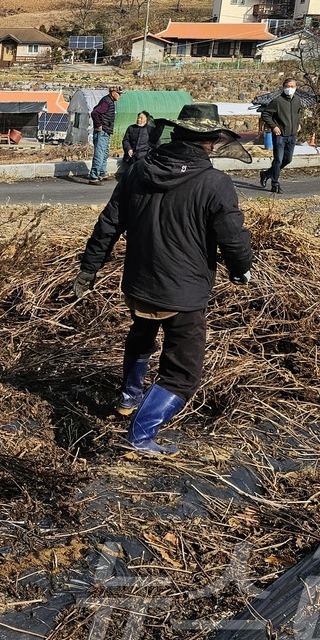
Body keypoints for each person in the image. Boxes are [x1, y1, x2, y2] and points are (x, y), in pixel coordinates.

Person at [71, 105, 253, 456]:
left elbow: (108, 225)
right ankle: (139, 437)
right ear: (210, 143)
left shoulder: (138, 170)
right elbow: (233, 237)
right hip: (183, 294)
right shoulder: (215, 183)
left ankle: (128, 398)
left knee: (141, 336)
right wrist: (241, 268)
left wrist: (89, 269)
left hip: (139, 285)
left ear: (176, 134)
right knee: (182, 373)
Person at [258, 78, 305, 195]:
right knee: (278, 160)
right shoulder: (277, 101)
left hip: (292, 135)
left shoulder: (298, 100)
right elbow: (266, 114)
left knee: (288, 159)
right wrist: (274, 126)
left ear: (296, 87)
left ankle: (267, 173)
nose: (290, 89)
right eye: (287, 86)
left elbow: (298, 113)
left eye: (292, 86)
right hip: (280, 135)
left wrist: (298, 123)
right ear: (283, 87)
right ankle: (275, 183)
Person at [87, 86, 121, 184]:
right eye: (119, 93)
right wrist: (98, 125)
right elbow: (94, 112)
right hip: (102, 132)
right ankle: (93, 177)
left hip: (106, 131)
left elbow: (95, 109)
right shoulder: (107, 102)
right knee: (100, 154)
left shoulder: (109, 101)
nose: (120, 96)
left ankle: (102, 173)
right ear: (113, 93)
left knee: (104, 153)